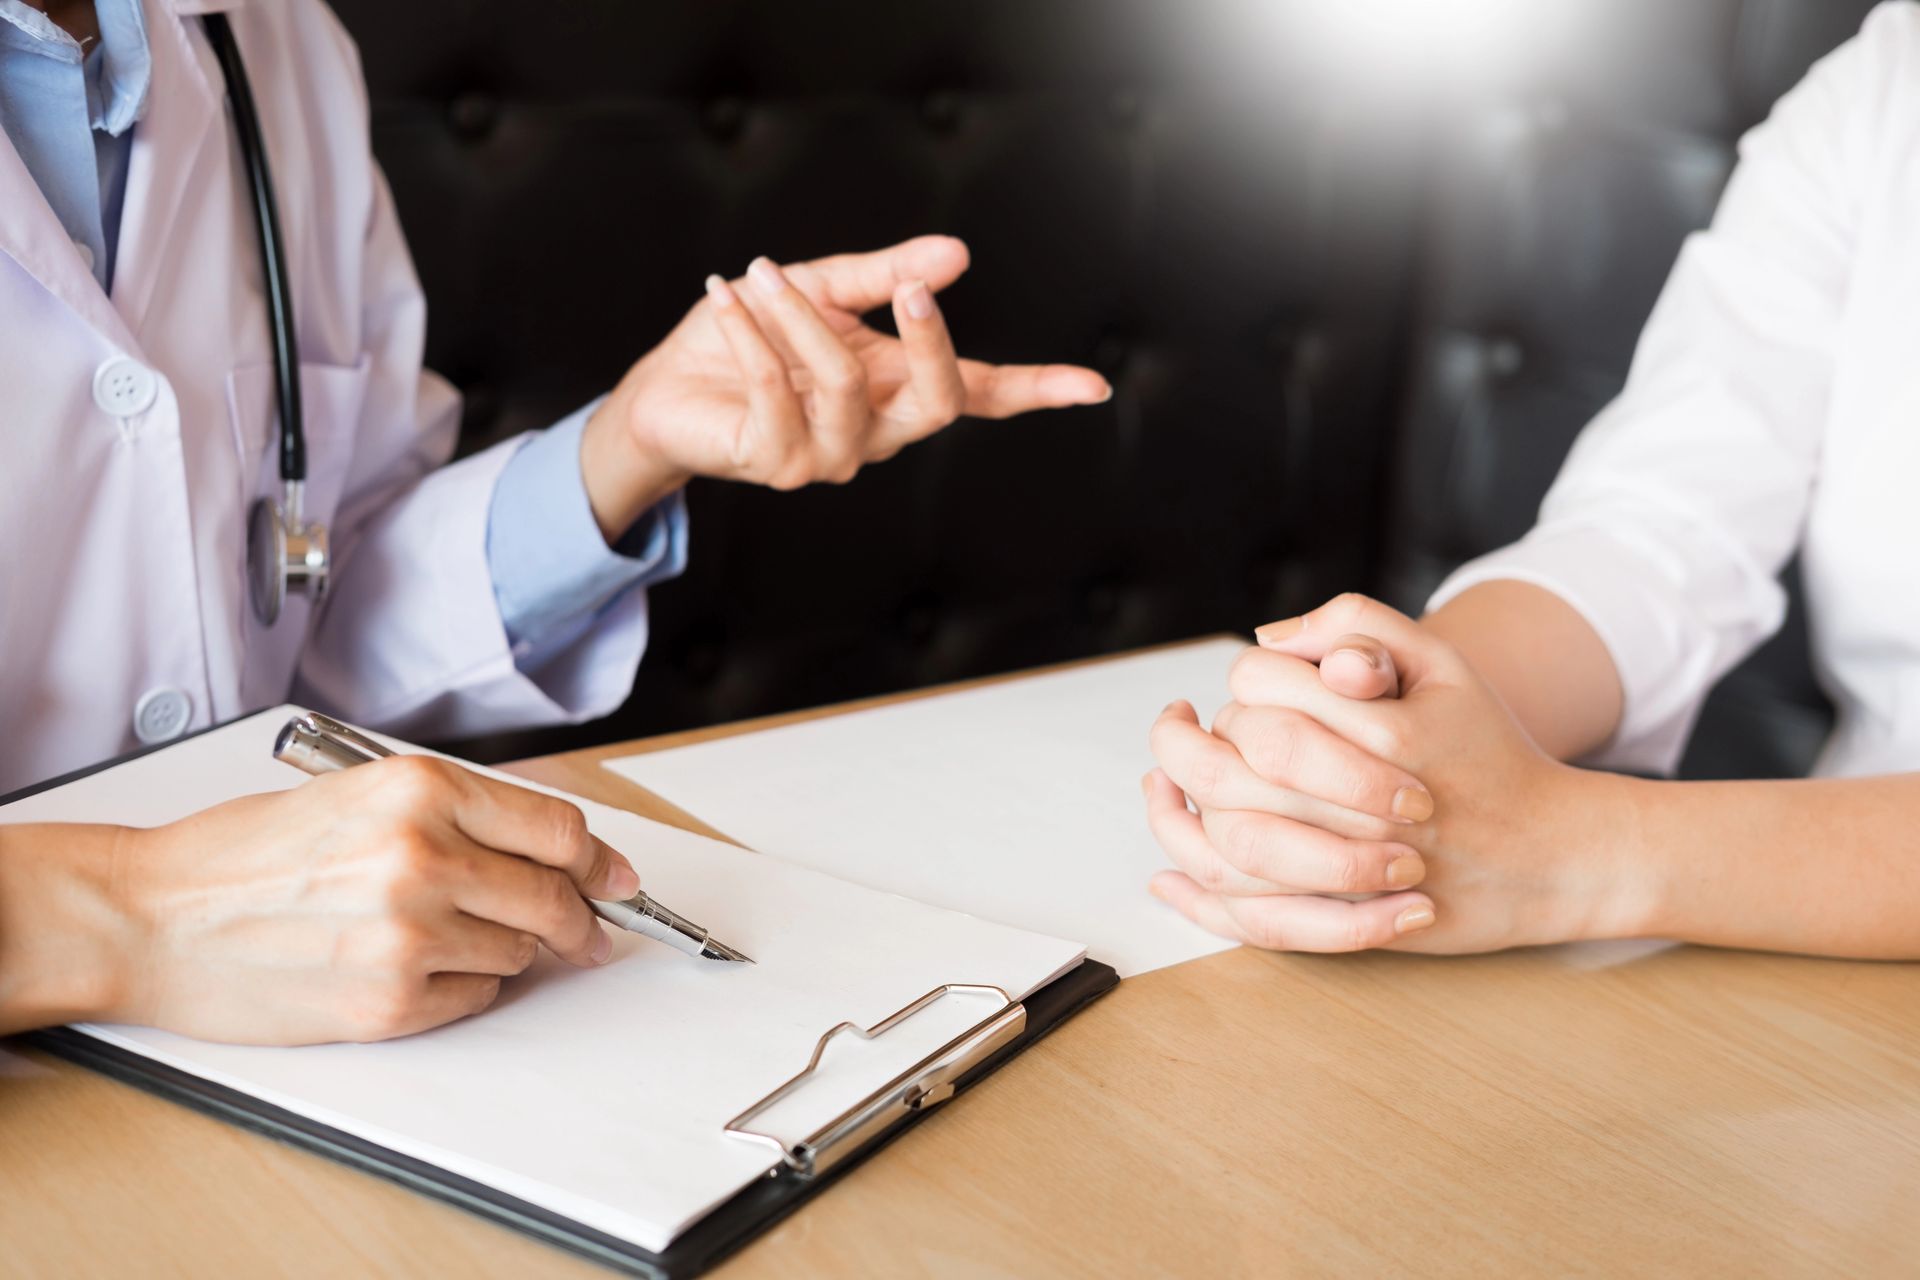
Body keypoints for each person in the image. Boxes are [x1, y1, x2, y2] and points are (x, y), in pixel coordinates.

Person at [0, 0, 1109, 1042]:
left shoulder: (272, 41)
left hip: (293, 1021)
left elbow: (301, 598)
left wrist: (630, 444)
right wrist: (127, 912)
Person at [1142, 3, 1920, 962]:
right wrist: (1389, 736)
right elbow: (1661, 524)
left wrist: (1584, 850)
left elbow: (1572, 850)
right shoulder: (1892, 76)